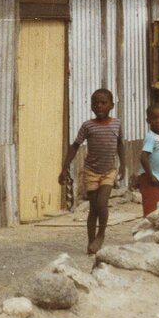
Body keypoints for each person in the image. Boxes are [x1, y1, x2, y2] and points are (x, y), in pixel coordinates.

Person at [58, 89, 126, 254]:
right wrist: (65, 167)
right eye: (95, 103)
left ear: (111, 105)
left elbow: (119, 144)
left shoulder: (116, 124)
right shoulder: (88, 126)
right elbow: (75, 146)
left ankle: (101, 234)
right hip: (91, 172)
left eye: (103, 103)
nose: (99, 106)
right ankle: (91, 242)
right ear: (91, 106)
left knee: (102, 204)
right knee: (94, 208)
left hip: (109, 171)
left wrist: (123, 165)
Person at [137, 103, 159, 217]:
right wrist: (150, 176)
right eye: (154, 118)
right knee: (151, 212)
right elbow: (143, 157)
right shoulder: (151, 137)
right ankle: (147, 233)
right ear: (148, 121)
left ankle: (157, 233)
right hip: (150, 179)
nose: (158, 121)